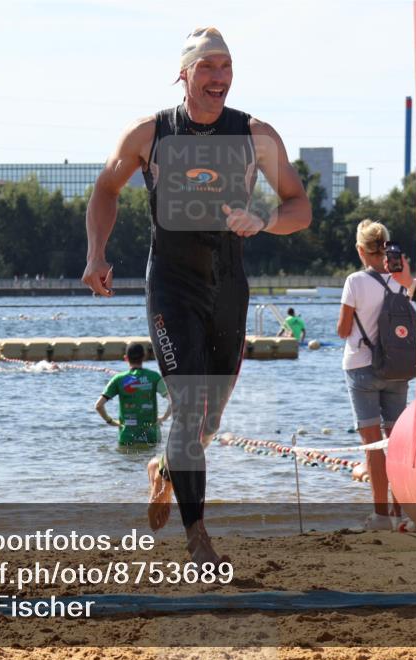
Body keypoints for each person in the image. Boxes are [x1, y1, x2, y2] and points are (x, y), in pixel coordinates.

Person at [82, 27, 310, 564]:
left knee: (208, 422)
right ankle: (198, 538)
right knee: (187, 407)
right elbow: (104, 189)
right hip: (172, 286)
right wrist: (96, 254)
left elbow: (298, 206)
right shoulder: (150, 133)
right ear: (183, 74)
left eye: (226, 66)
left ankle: (164, 470)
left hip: (228, 287)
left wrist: (265, 218)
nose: (219, 78)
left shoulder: (256, 135)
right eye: (207, 66)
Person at [336, 220, 416, 531]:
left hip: (361, 367)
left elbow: (343, 330)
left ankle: (380, 516)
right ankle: (400, 511)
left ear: (360, 250)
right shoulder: (402, 281)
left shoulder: (355, 282)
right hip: (398, 367)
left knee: (371, 443)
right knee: (395, 440)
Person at [95, 343, 170, 446]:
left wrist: (111, 421)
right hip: (151, 436)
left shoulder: (118, 379)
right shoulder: (154, 377)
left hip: (126, 437)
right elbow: (173, 401)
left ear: (126, 358)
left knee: (127, 460)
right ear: (144, 357)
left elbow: (98, 405)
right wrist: (163, 418)